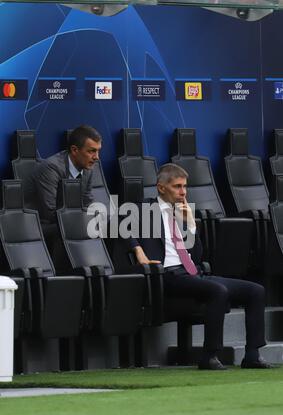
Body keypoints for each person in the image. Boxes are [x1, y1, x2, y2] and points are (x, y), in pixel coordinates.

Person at [126, 163, 271, 370]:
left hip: (194, 273)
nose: (183, 192)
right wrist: (138, 251)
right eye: (177, 186)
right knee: (218, 291)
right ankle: (210, 355)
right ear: (161, 188)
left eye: (185, 187)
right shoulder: (144, 208)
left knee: (255, 291)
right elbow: (120, 226)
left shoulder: (183, 212)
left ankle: (252, 355)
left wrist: (191, 224)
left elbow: (196, 255)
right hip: (168, 275)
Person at [25, 125, 102, 254]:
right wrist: (83, 221)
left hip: (66, 221)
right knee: (76, 227)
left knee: (111, 225)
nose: (96, 157)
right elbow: (50, 211)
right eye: (91, 151)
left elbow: (88, 202)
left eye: (98, 151)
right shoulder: (51, 168)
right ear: (74, 150)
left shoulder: (87, 168)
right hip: (40, 225)